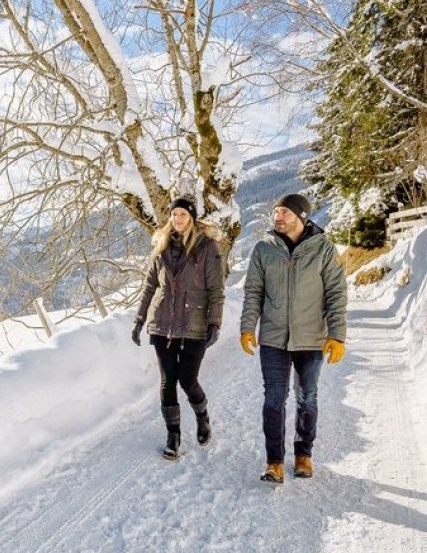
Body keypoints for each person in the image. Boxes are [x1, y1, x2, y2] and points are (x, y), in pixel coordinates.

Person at [239, 192, 348, 484]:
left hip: (311, 339)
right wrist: (247, 327)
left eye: (284, 212)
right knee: (273, 400)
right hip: (273, 338)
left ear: (302, 217)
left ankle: (303, 455)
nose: (277, 216)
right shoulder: (264, 249)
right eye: (275, 212)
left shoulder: (323, 249)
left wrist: (337, 335)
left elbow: (337, 294)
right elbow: (253, 292)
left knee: (307, 398)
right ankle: (274, 462)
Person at [131, 196, 225, 460]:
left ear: (192, 217)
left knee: (188, 378)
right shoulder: (160, 248)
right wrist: (140, 319)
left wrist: (214, 322)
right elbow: (150, 286)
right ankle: (173, 435)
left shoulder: (207, 247)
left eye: (183, 214)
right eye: (174, 215)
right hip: (162, 325)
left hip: (194, 324)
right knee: (167, 381)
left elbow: (216, 289)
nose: (178, 219)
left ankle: (202, 415)